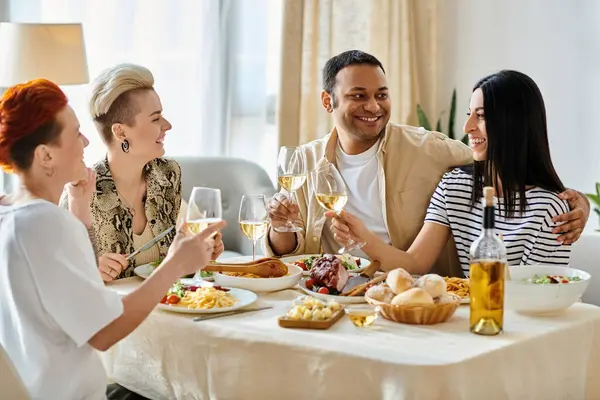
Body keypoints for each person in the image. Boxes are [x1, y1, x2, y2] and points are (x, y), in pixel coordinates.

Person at [264, 50, 589, 275]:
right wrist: (279, 227)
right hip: (329, 291)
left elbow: (503, 160)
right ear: (327, 101)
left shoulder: (429, 150)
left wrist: (577, 202)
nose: (373, 106)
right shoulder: (302, 162)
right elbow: (289, 252)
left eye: (382, 94)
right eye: (359, 95)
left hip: (404, 291)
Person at [0, 78, 226, 399]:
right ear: (45, 156)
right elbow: (104, 332)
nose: (86, 143)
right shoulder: (47, 223)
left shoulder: (11, 213)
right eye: (74, 134)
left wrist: (79, 215)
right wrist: (175, 265)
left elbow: (64, 293)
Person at [328, 70, 572, 275]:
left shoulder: (549, 211)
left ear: (515, 125)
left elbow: (537, 298)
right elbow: (415, 264)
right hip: (470, 319)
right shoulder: (455, 185)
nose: (467, 127)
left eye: (482, 116)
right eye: (469, 114)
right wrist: (362, 236)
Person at [63, 64, 224, 282]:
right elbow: (58, 277)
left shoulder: (167, 174)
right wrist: (87, 269)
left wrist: (202, 250)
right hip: (114, 312)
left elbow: (181, 261)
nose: (167, 125)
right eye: (155, 118)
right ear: (120, 131)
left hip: (169, 306)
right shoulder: (81, 193)